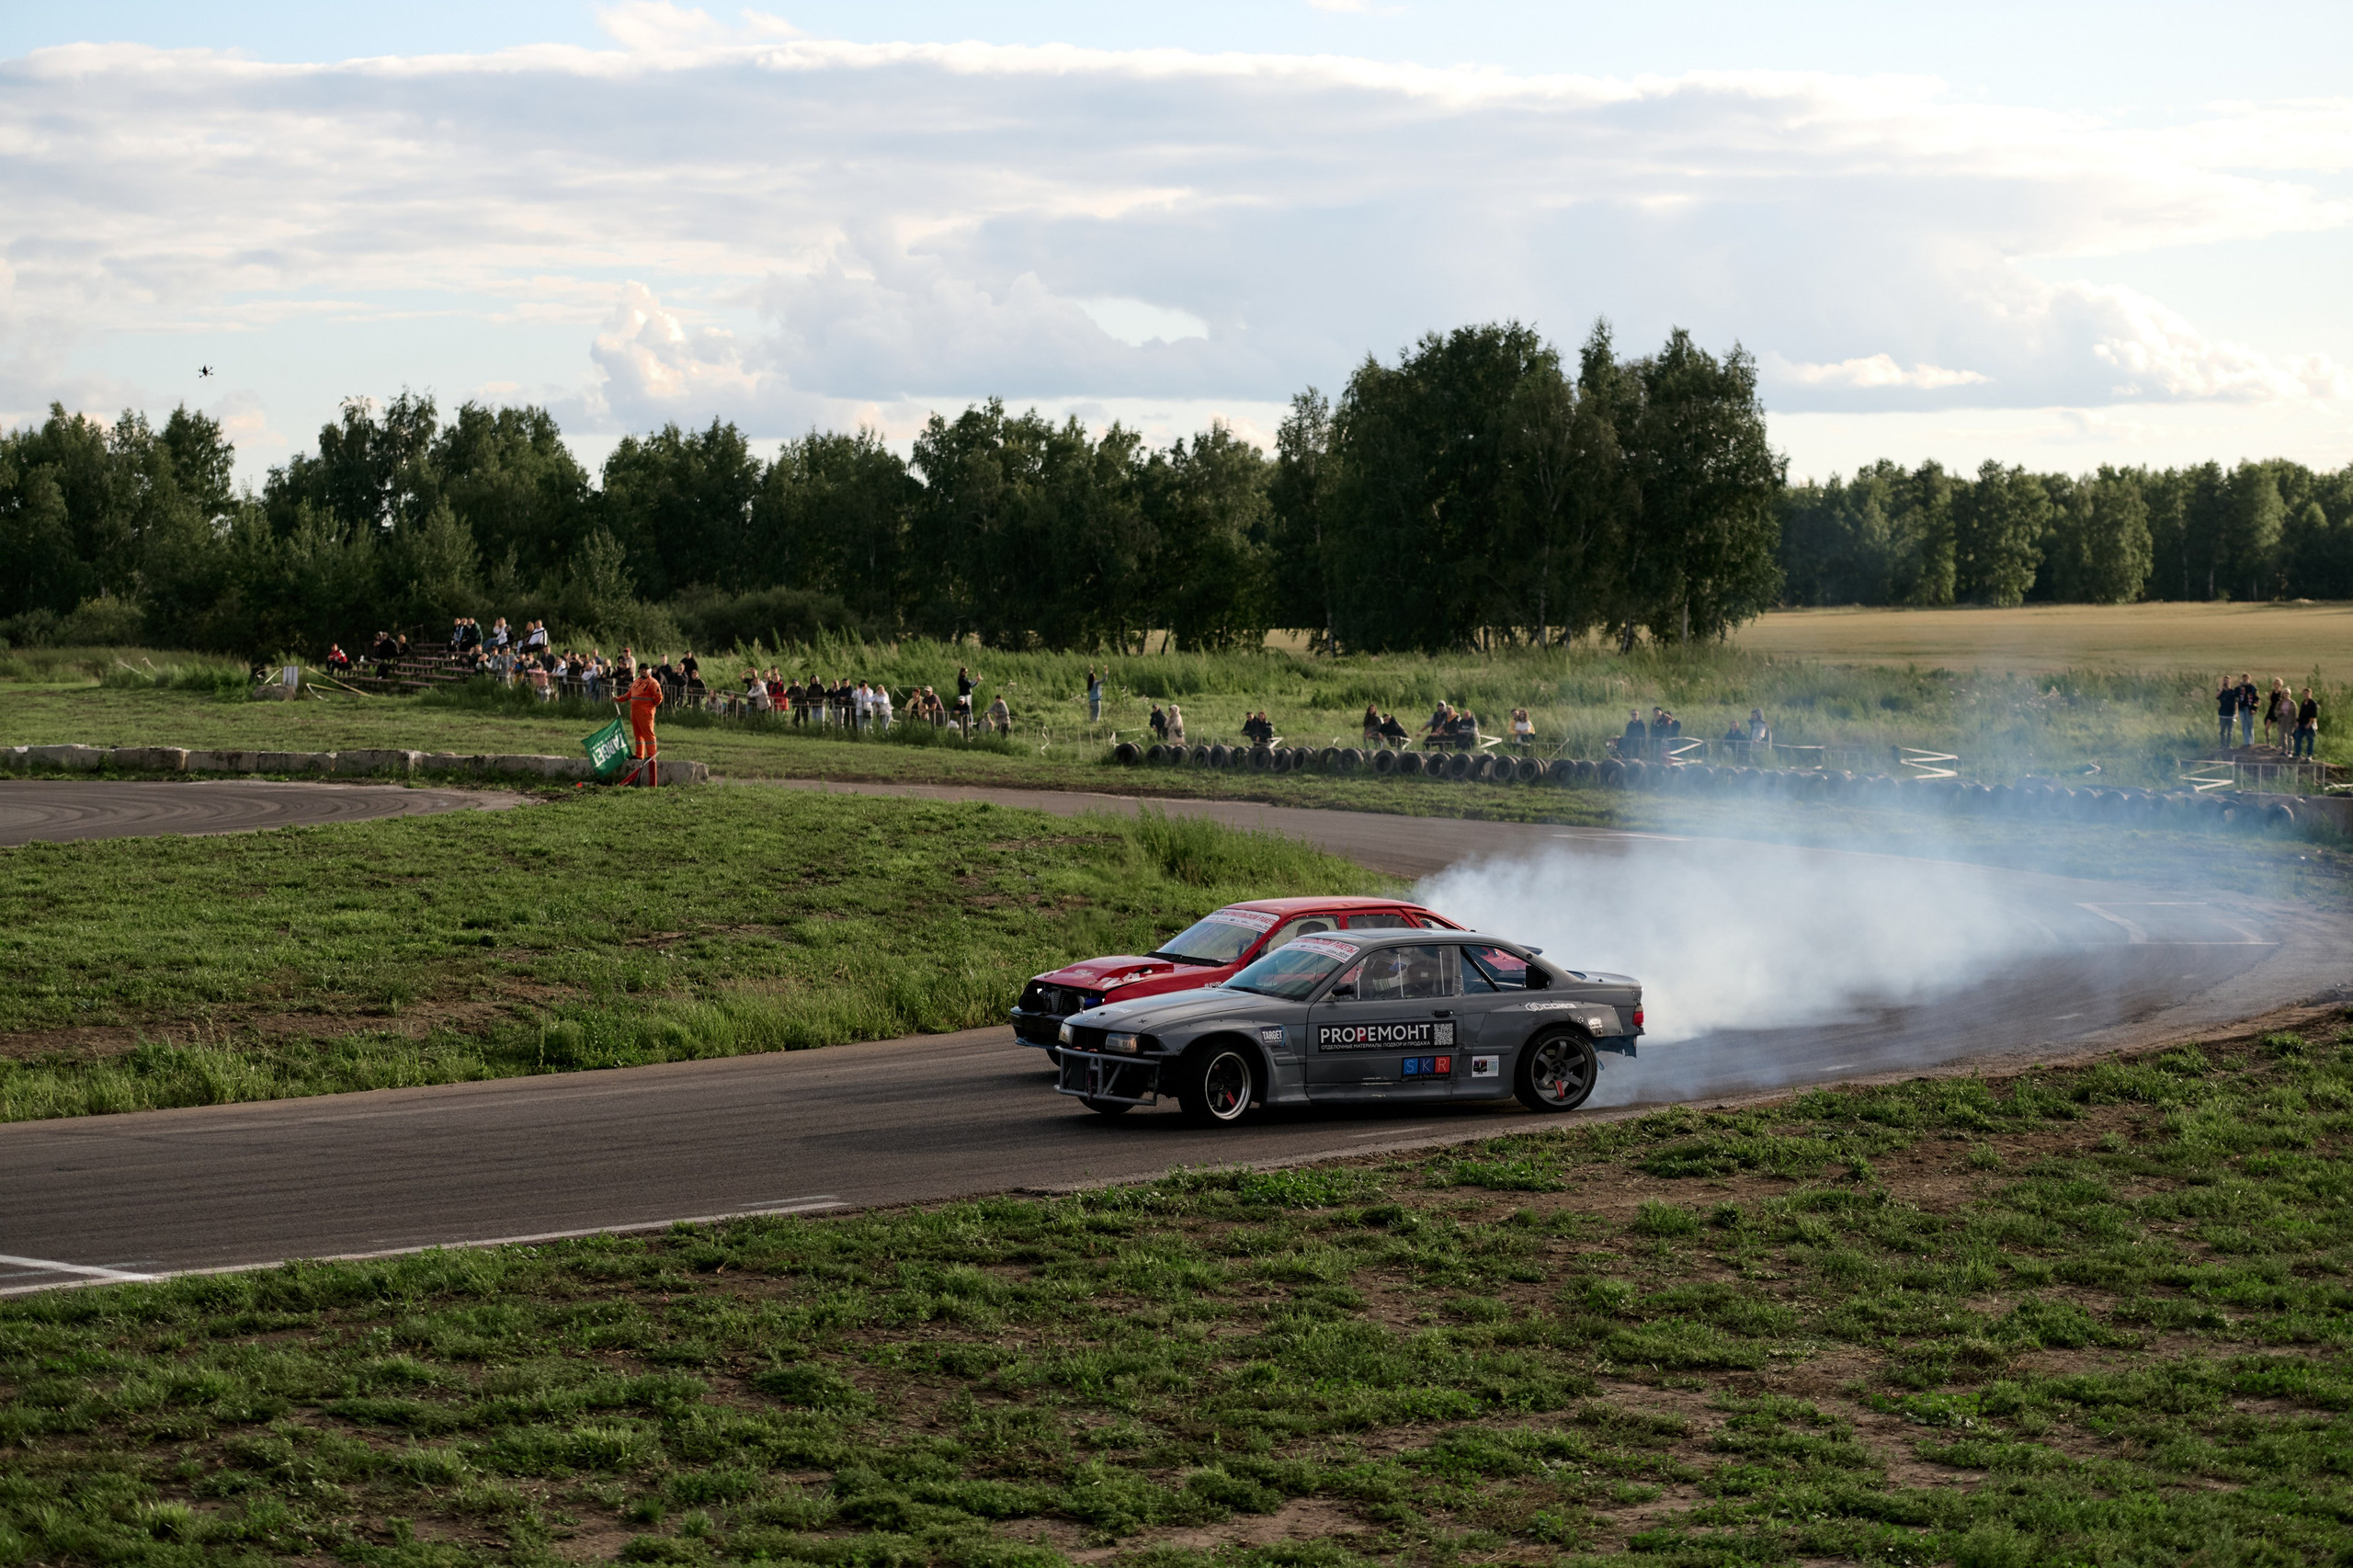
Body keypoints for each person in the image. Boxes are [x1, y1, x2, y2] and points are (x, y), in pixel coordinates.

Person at [625, 659, 664, 765]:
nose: (643, 671)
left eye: (645, 670)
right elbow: (629, 694)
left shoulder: (653, 683)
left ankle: (651, 756)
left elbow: (659, 698)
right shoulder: (636, 682)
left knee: (648, 735)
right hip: (635, 712)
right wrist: (619, 699)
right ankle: (639, 755)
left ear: (649, 671)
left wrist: (652, 706)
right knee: (638, 735)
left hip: (646, 713)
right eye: (641, 670)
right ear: (639, 671)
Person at [2294, 687, 2320, 760]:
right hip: (2302, 723)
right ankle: (2298, 754)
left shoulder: (2313, 703)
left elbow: (2314, 715)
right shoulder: (2303, 703)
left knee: (2310, 739)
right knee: (2298, 737)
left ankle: (2309, 755)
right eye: (2304, 693)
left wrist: (2309, 723)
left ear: (2310, 694)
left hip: (2309, 724)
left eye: (2307, 693)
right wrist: (2298, 722)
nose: (2306, 695)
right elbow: (2301, 714)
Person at [2234, 673, 2258, 747]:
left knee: (2249, 725)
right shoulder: (2240, 688)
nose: (2245, 681)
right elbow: (2236, 696)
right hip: (2242, 707)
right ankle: (2246, 741)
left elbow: (2257, 700)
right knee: (2244, 724)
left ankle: (2251, 741)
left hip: (2249, 708)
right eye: (2243, 679)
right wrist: (2238, 686)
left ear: (2249, 679)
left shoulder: (2252, 688)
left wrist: (2254, 708)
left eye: (2246, 679)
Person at [2215, 676, 2237, 749]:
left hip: (2231, 714)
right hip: (2223, 714)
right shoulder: (2221, 691)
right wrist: (2221, 689)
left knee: (2230, 731)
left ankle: (2229, 745)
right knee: (2222, 731)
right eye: (2225, 681)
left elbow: (2236, 702)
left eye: (2227, 681)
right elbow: (2216, 696)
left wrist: (2236, 712)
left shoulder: (2233, 692)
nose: (2226, 682)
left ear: (2230, 681)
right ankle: (2222, 745)